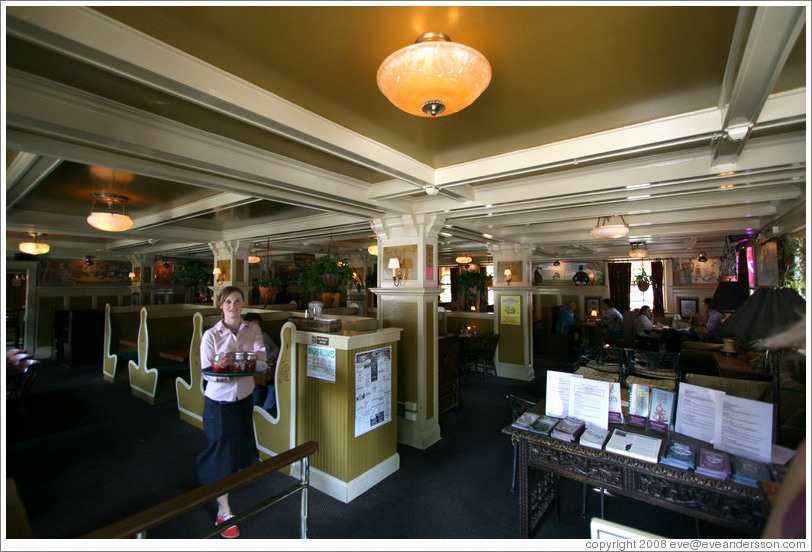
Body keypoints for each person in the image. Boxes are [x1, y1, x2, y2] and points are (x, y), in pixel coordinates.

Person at [197, 287, 266, 539]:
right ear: (220, 305)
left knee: (241, 444)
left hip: (244, 398)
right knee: (222, 451)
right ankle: (223, 511)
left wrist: (234, 361)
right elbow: (207, 372)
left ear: (244, 304)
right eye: (228, 301)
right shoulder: (210, 335)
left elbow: (260, 360)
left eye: (238, 301)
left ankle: (219, 479)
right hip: (220, 402)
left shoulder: (253, 329)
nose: (233, 305)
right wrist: (231, 363)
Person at [243, 313, 280, 415]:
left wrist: (273, 356)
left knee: (274, 387)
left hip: (265, 372)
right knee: (257, 389)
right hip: (249, 374)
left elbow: (275, 349)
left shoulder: (264, 336)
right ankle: (255, 414)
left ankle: (264, 414)